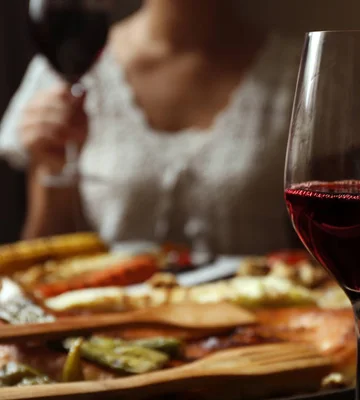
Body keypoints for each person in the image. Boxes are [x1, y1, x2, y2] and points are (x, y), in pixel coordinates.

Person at [0, 0, 303, 254]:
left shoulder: (300, 76)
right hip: (106, 318)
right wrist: (50, 167)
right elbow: (43, 263)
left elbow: (322, 258)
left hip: (271, 322)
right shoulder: (70, 65)